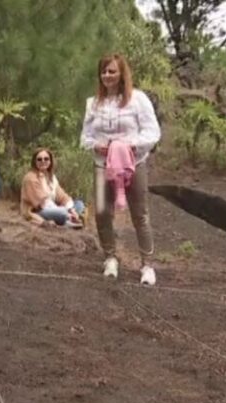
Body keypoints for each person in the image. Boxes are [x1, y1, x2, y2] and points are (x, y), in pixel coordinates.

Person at [80, 53, 161, 285]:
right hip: (102, 165)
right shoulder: (93, 103)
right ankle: (110, 257)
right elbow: (85, 137)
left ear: (121, 73)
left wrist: (129, 146)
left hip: (132, 164)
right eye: (104, 71)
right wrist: (97, 145)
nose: (107, 75)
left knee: (140, 213)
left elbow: (152, 132)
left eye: (112, 71)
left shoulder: (138, 99)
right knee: (102, 212)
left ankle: (147, 264)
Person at [20, 148, 85, 228]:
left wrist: (71, 210)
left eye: (46, 159)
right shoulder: (30, 178)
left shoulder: (51, 177)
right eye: (39, 159)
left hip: (53, 208)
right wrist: (66, 212)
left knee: (79, 203)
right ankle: (67, 220)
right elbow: (41, 204)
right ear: (35, 162)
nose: (43, 161)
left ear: (50, 161)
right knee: (62, 212)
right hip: (37, 211)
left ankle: (69, 219)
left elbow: (62, 196)